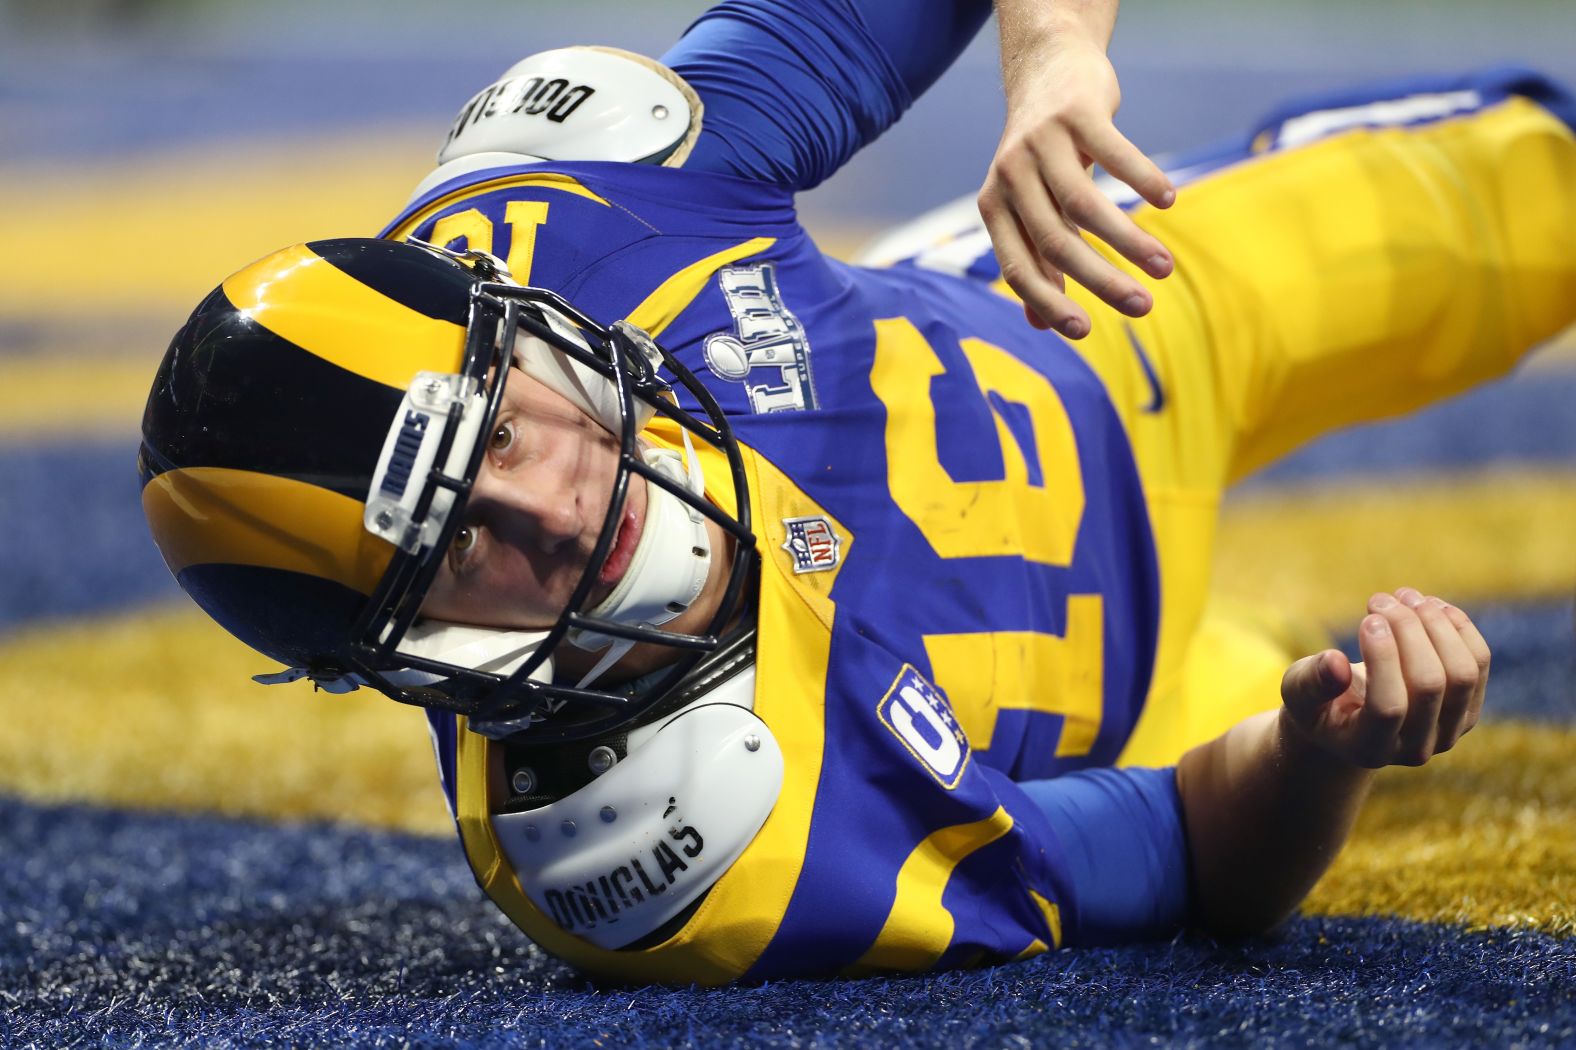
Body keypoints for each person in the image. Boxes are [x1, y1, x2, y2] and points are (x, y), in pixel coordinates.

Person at [136, 0, 1575, 984]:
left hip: (1096, 319)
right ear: (403, 669)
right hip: (1133, 713)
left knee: (1538, 194)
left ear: (516, 316)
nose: (558, 517)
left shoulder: (592, 207)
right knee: (1293, 693)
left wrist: (1056, 71)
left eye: (500, 439)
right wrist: (1324, 754)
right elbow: (1187, 847)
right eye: (455, 558)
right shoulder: (669, 833)